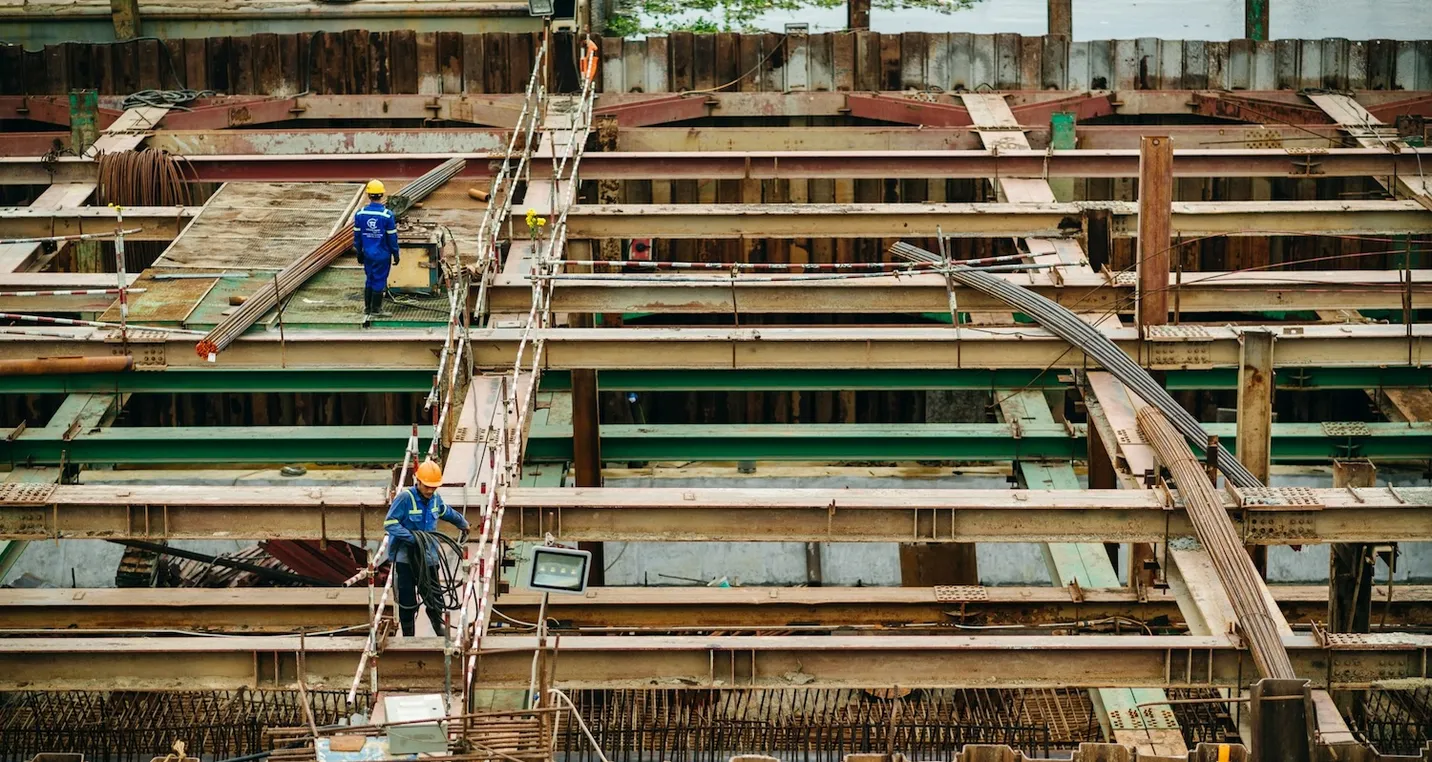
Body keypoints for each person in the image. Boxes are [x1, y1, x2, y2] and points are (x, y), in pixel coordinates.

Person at [383, 459, 470, 637]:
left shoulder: (435, 498)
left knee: (433, 595)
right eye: (427, 486)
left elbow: (446, 511)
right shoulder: (405, 498)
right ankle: (408, 635)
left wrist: (463, 523)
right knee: (407, 598)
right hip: (406, 559)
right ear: (418, 481)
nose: (430, 490)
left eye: (434, 487)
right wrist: (412, 538)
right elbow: (390, 523)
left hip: (429, 557)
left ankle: (438, 626)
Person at [353, 179, 399, 318]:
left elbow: (357, 235)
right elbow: (392, 238)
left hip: (367, 253)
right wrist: (395, 253)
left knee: (370, 278)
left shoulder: (360, 214)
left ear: (368, 195)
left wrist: (359, 252)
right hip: (382, 255)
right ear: (382, 195)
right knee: (379, 279)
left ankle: (367, 307)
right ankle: (376, 309)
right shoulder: (387, 215)